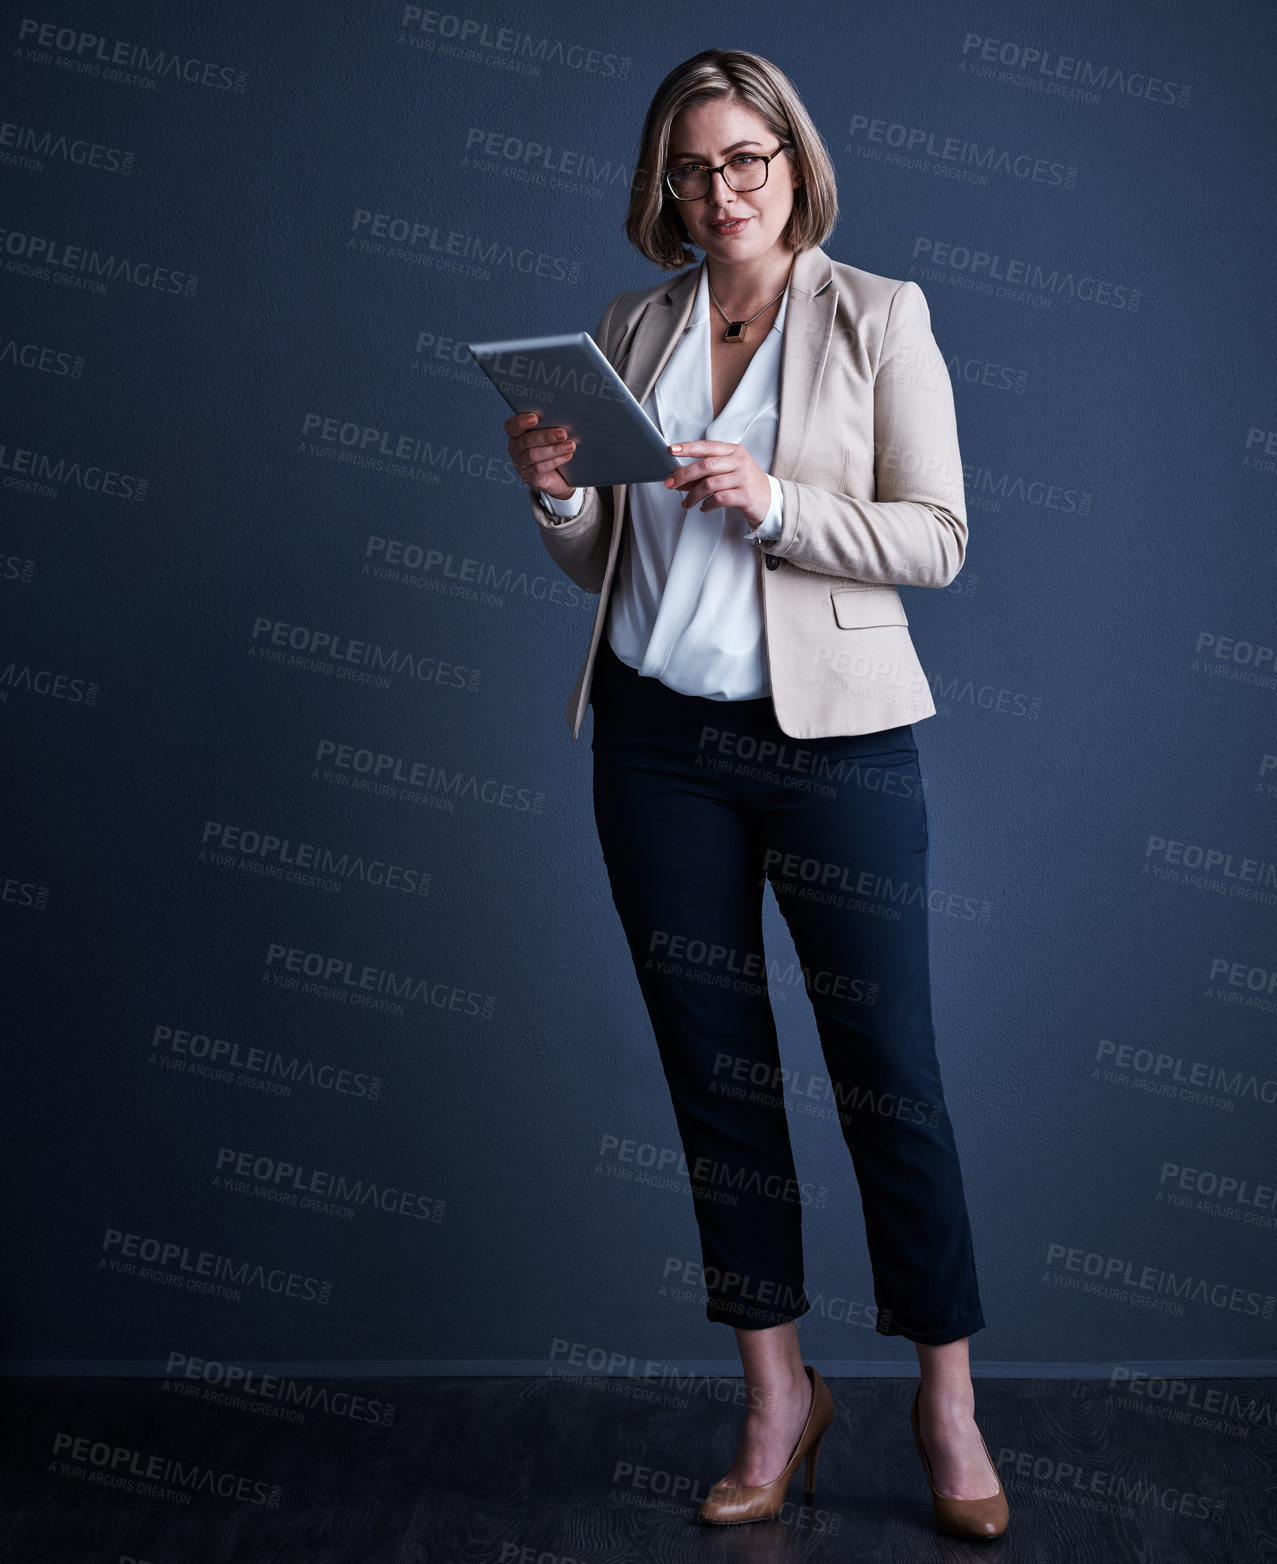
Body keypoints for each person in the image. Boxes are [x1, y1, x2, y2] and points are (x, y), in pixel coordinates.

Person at [502, 48, 1008, 1544]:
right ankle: (777, 1393)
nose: (717, 191)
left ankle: (947, 1398)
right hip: (655, 746)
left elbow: (938, 538)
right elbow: (606, 566)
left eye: (745, 161)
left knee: (887, 1078)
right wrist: (551, 492)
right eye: (688, 167)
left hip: (835, 749)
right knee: (713, 1076)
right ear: (659, 184)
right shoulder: (626, 326)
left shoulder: (879, 317)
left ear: (793, 164)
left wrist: (778, 503)